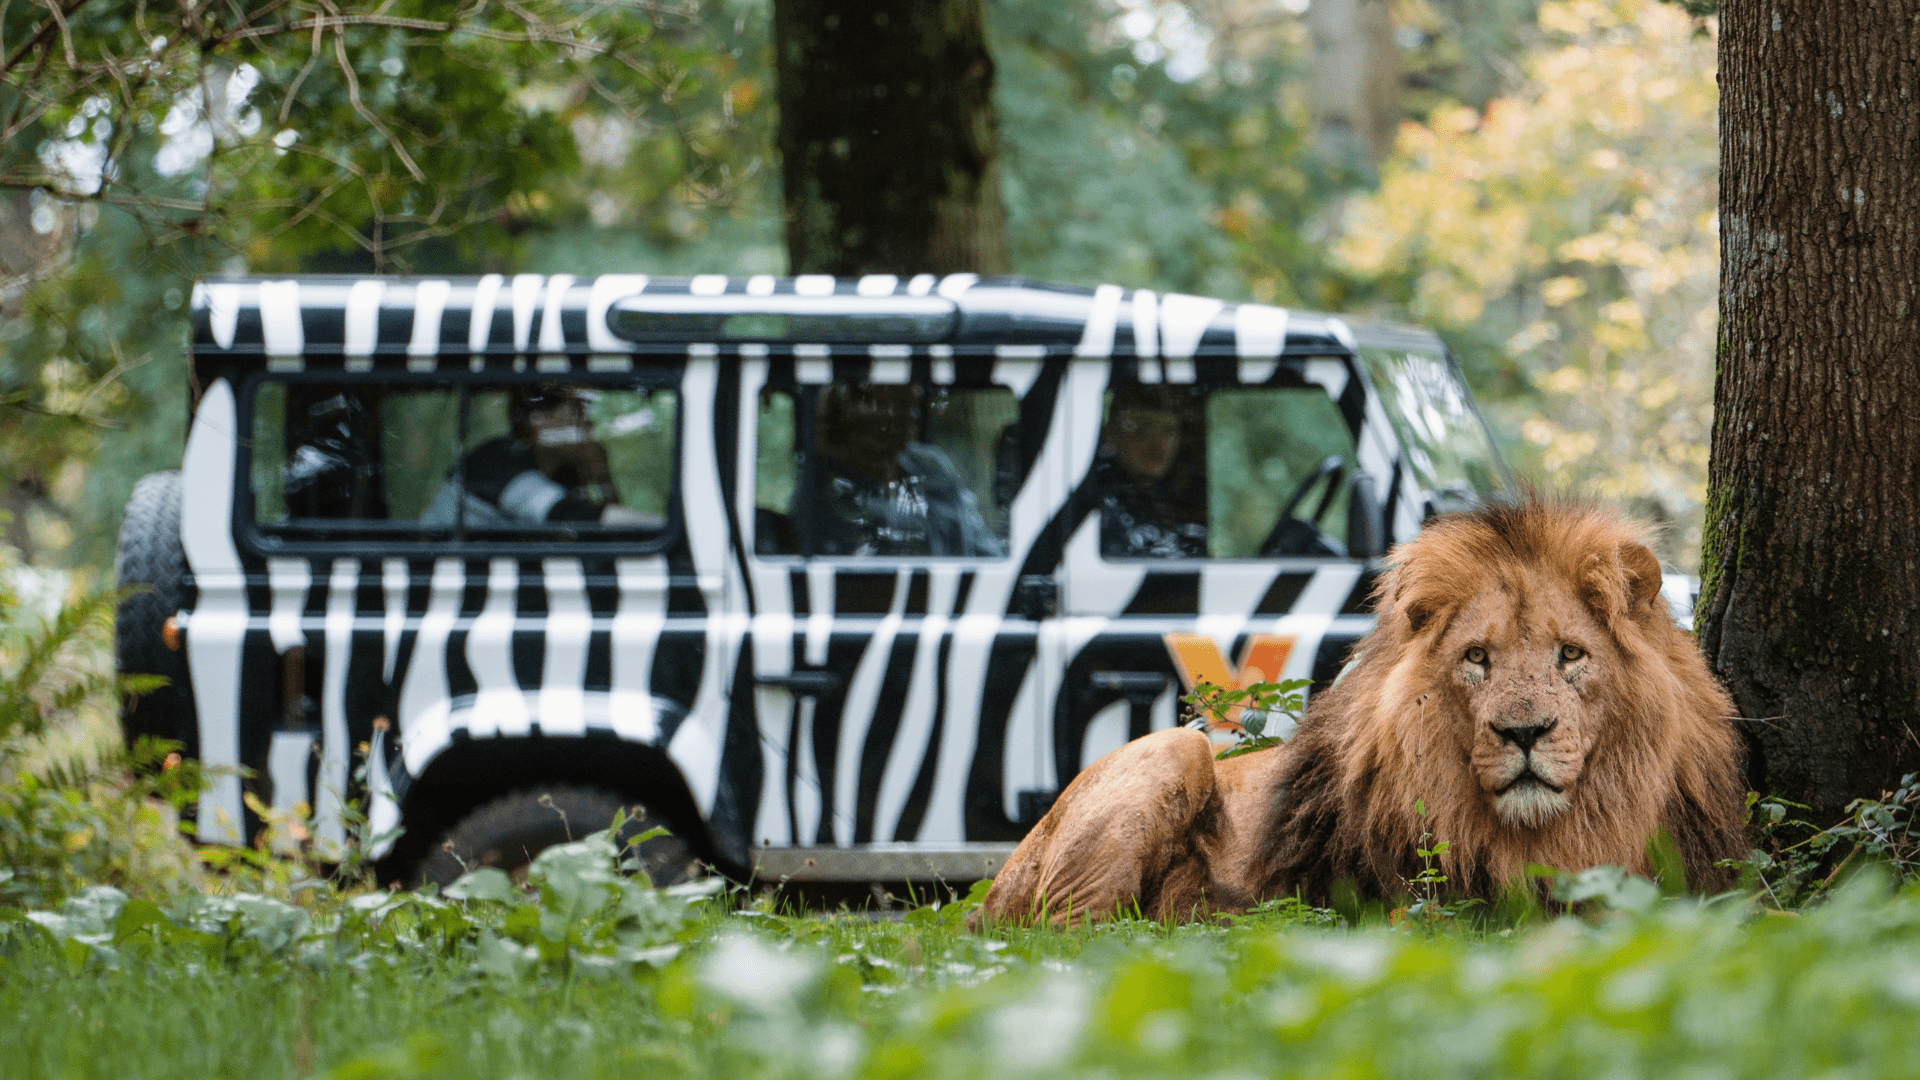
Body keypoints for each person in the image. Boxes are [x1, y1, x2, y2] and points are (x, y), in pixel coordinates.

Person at [808, 383, 1004, 557]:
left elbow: (977, 539)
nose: (900, 421)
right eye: (881, 405)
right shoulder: (829, 486)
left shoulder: (927, 464)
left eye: (906, 410)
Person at [422, 385, 647, 529]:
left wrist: (598, 470)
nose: (588, 424)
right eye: (576, 414)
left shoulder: (560, 472)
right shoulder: (499, 460)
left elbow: (599, 523)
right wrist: (664, 528)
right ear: (538, 420)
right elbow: (570, 516)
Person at [1089, 384, 1207, 558]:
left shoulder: (1181, 496)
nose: (1157, 444)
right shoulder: (1099, 501)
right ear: (1110, 434)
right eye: (1141, 429)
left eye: (1168, 430)